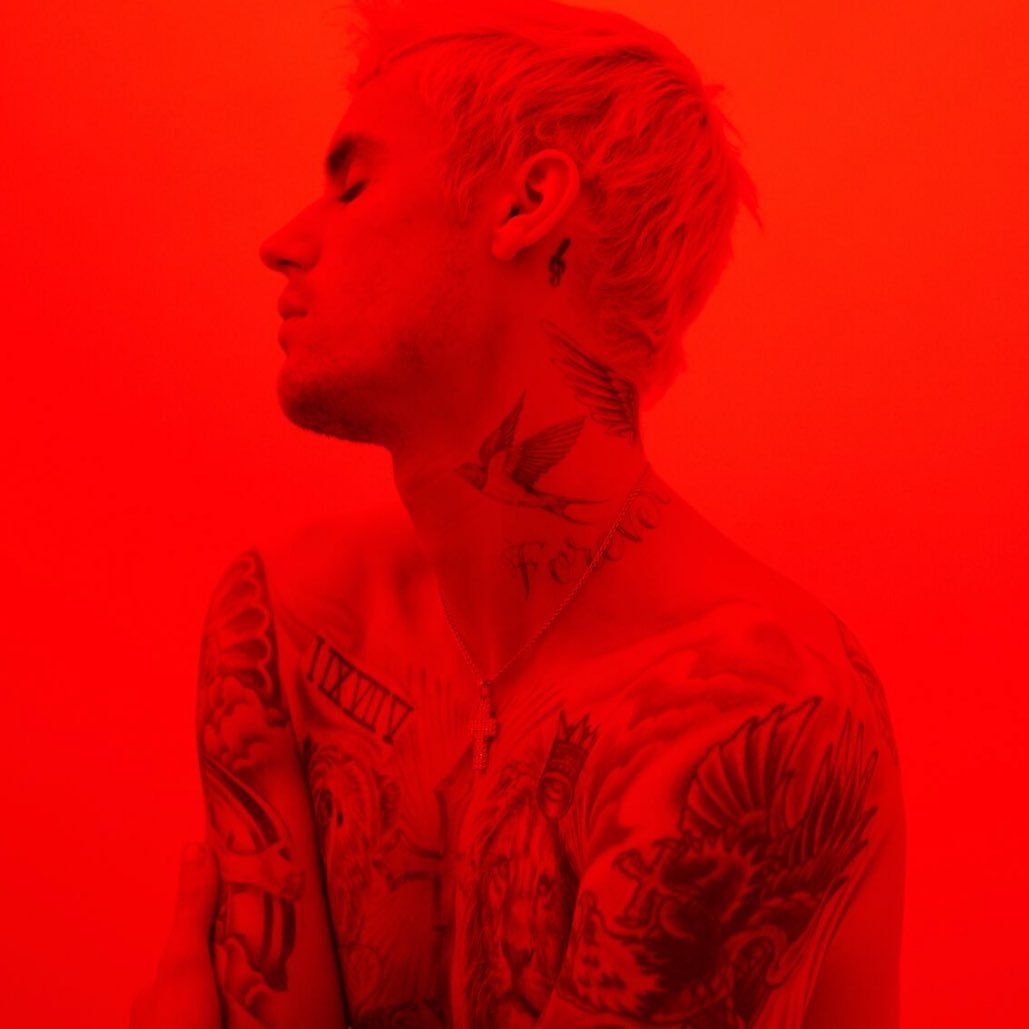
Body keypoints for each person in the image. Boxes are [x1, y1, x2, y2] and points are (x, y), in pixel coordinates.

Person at [132, 1, 905, 1026]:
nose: (282, 243)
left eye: (353, 185)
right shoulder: (285, 624)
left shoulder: (748, 707)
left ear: (526, 204)